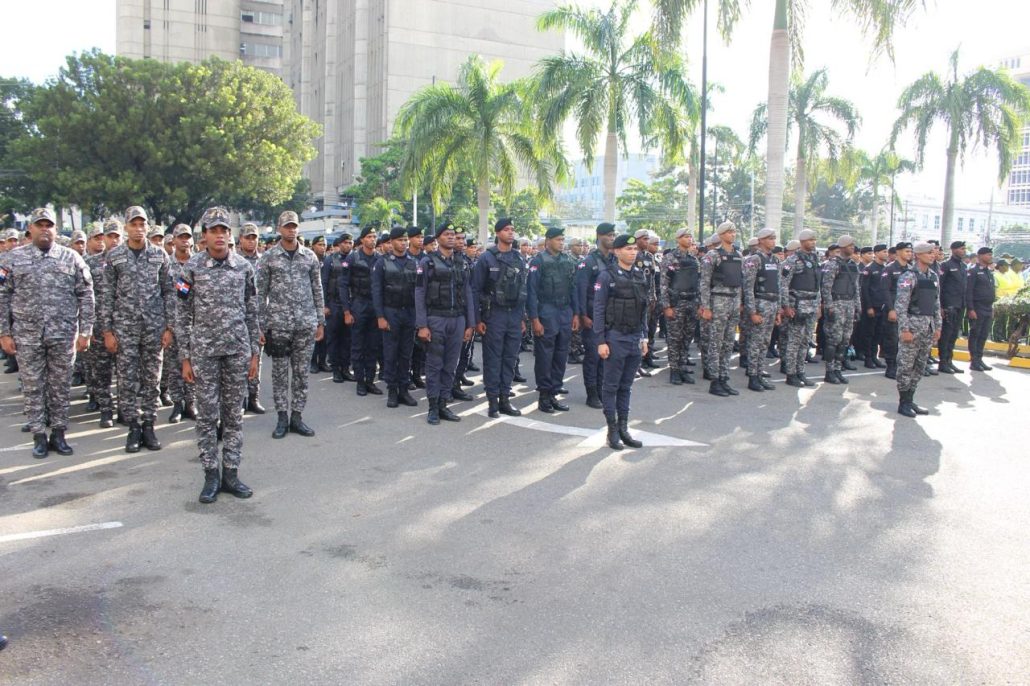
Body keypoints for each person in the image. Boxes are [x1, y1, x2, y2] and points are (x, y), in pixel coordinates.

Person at [175, 207, 260, 503]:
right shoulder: (190, 269)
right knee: (207, 417)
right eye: (214, 230)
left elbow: (252, 312)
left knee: (234, 415)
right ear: (205, 236)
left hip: (237, 351)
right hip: (204, 354)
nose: (220, 235)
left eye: (224, 230)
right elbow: (182, 313)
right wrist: (185, 357)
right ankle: (211, 475)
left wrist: (254, 354)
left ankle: (231, 473)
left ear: (230, 234)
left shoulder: (244, 268)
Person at [0, 207, 95, 458]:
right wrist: (4, 333)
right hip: (27, 335)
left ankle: (59, 434)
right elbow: (2, 296)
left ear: (55, 229)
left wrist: (85, 331)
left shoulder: (72, 258)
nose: (44, 229)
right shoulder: (12, 259)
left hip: (63, 335)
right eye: (39, 225)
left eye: (49, 225)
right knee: (33, 387)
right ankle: (39, 436)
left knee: (60, 386)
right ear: (30, 229)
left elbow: (86, 295)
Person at [102, 206, 174, 453]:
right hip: (125, 329)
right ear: (126, 227)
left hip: (154, 328)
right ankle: (133, 427)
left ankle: (149, 426)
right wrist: (107, 331)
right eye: (134, 224)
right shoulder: (114, 257)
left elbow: (169, 292)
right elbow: (107, 296)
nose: (138, 228)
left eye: (142, 224)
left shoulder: (159, 255)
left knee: (152, 379)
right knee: (127, 380)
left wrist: (170, 326)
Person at [256, 210, 325, 438]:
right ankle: (282, 417)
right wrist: (261, 325)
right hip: (279, 325)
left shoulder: (309, 257)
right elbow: (260, 293)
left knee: (301, 373)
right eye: (287, 226)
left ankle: (297, 416)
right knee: (279, 374)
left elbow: (317, 289)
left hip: (305, 323)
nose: (291, 230)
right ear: (279, 229)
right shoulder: (268, 257)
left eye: (294, 226)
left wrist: (320, 321)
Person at [415, 223, 475, 424]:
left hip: (457, 319)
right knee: (434, 365)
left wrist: (470, 324)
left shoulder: (462, 263)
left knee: (451, 364)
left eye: (453, 235)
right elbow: (420, 293)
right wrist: (422, 325)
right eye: (447, 234)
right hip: (436, 319)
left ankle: (443, 405)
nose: (451, 237)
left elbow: (468, 293)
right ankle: (432, 407)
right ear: (438, 238)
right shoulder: (427, 262)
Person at [593, 233, 647, 450]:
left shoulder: (639, 275)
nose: (632, 252)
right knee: (611, 386)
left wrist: (644, 336)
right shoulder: (606, 276)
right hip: (615, 337)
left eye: (634, 249)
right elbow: (598, 309)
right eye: (627, 249)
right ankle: (612, 430)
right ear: (616, 251)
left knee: (626, 386)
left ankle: (624, 429)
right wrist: (600, 340)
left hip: (634, 336)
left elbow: (643, 309)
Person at [473, 218, 529, 418]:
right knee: (493, 359)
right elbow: (475, 290)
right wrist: (478, 320)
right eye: (506, 230)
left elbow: (523, 288)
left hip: (514, 315)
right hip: (494, 315)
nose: (511, 233)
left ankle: (505, 399)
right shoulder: (486, 258)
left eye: (513, 230)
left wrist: (523, 317)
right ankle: (492, 401)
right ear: (497, 233)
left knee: (510, 358)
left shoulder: (519, 258)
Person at [527, 226, 579, 413]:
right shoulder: (538, 261)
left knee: (560, 354)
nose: (561, 243)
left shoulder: (567, 261)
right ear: (548, 241)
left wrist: (575, 314)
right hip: (546, 311)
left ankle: (555, 392)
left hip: (565, 311)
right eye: (558, 239)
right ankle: (544, 395)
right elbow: (531, 292)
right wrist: (534, 319)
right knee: (545, 356)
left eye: (562, 240)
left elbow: (573, 288)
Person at [371, 226, 419, 408]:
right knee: (391, 353)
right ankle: (392, 390)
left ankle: (404, 390)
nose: (404, 243)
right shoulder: (381, 263)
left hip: (409, 312)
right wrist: (380, 316)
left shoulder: (414, 262)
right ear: (391, 242)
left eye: (406, 240)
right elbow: (376, 292)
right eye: (400, 240)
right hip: (391, 313)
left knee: (406, 353)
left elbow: (419, 291)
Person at [895, 242, 942, 417]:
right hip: (912, 328)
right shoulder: (908, 276)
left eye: (933, 252)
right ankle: (903, 402)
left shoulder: (933, 277)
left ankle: (911, 399)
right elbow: (901, 305)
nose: (933, 255)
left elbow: (936, 304)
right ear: (919, 255)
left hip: (927, 328)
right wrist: (905, 329)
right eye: (929, 252)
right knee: (906, 366)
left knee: (920, 366)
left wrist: (937, 327)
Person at [699, 221, 744, 397]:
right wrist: (706, 307)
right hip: (718, 301)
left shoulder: (739, 255)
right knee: (715, 343)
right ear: (721, 235)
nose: (732, 235)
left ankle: (724, 378)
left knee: (728, 343)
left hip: (733, 301)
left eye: (734, 232)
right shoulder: (712, 255)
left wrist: (739, 302)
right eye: (728, 232)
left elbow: (739, 281)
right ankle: (714, 380)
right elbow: (704, 282)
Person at [576, 223, 615, 408]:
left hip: (609, 316)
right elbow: (581, 291)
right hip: (592, 316)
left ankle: (601, 390)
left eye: (613, 235)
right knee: (592, 356)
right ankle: (591, 393)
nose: (612, 238)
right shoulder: (589, 262)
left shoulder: (613, 260)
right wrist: (583, 315)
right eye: (608, 235)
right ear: (599, 236)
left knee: (605, 356)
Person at [340, 224, 382, 396]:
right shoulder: (352, 258)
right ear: (363, 239)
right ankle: (360, 382)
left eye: (374, 237)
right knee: (358, 345)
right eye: (369, 237)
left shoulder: (380, 258)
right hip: (358, 304)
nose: (372, 240)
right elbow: (343, 285)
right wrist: (347, 311)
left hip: (375, 306)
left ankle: (370, 381)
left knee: (373, 345)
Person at [164, 224, 198, 423]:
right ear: (174, 241)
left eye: (187, 237)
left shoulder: (198, 263)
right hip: (171, 323)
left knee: (192, 363)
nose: (185, 240)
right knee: (173, 365)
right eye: (181, 237)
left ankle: (191, 403)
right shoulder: (166, 265)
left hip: (193, 323)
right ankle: (177, 404)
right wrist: (166, 327)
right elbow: (160, 295)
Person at [780, 229, 821, 387]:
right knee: (794, 341)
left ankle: (800, 371)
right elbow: (783, 284)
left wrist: (818, 305)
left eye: (814, 240)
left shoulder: (815, 259)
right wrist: (786, 306)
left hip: (811, 304)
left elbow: (817, 285)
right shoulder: (792, 260)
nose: (813, 242)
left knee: (805, 341)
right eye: (810, 240)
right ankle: (791, 374)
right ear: (802, 241)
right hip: (797, 305)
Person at [741, 228, 781, 391]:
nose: (773, 241)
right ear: (761, 240)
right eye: (770, 238)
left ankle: (759, 373)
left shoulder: (775, 260)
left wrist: (778, 310)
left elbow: (778, 286)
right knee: (755, 342)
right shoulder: (754, 260)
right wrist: (752, 312)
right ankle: (752, 377)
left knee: (765, 342)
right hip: (760, 303)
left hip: (772, 304)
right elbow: (748, 287)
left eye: (774, 238)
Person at [660, 228, 700, 385]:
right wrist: (666, 306)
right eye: (685, 236)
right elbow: (664, 284)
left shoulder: (694, 259)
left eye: (690, 236)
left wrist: (699, 304)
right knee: (675, 338)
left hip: (691, 302)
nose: (689, 239)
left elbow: (698, 283)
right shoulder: (669, 258)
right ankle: (674, 370)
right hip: (676, 303)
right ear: (678, 239)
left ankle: (683, 367)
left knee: (687, 337)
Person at [819, 235, 861, 385]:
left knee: (844, 340)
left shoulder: (853, 265)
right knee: (833, 340)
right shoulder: (832, 264)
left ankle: (838, 369)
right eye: (850, 245)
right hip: (836, 304)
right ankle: (829, 371)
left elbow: (856, 287)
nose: (853, 247)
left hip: (849, 304)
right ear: (843, 247)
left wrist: (858, 306)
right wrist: (829, 306)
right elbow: (826, 287)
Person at [237, 222, 267, 412]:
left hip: (259, 317)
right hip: (238, 318)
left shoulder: (265, 261)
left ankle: (253, 397)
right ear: (240, 239)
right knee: (238, 360)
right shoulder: (233, 260)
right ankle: (238, 398)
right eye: (247, 237)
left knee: (257, 358)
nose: (251, 241)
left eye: (254, 237)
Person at [321, 232, 355, 384]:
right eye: (346, 242)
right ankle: (336, 370)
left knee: (348, 339)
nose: (348, 245)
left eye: (350, 242)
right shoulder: (330, 260)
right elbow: (324, 283)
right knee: (334, 338)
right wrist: (325, 305)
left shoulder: (354, 259)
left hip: (349, 305)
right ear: (339, 244)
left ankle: (345, 369)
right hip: (333, 305)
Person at [881, 242, 914, 380]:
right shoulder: (889, 269)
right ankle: (891, 366)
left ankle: (902, 366)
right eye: (907, 251)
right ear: (898, 252)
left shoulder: (911, 270)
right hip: (894, 308)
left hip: (907, 311)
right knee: (892, 339)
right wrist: (891, 309)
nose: (909, 254)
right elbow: (885, 290)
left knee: (905, 341)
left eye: (911, 251)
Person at [937, 240, 968, 374]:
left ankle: (949, 360)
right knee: (946, 334)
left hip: (960, 304)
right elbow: (940, 286)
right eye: (961, 249)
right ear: (953, 250)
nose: (964, 251)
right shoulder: (945, 265)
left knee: (954, 334)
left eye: (964, 249)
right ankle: (943, 362)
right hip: (949, 305)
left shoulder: (963, 266)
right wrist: (941, 306)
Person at [966, 247, 996, 371]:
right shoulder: (973, 271)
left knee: (984, 335)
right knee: (975, 334)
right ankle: (974, 360)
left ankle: (979, 358)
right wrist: (970, 308)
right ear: (980, 256)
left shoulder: (989, 272)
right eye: (988, 255)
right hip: (977, 307)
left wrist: (992, 307)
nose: (991, 257)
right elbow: (968, 291)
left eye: (991, 254)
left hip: (988, 308)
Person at [859, 243, 889, 369]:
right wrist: (869, 307)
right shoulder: (869, 269)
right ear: (876, 253)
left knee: (878, 333)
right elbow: (864, 289)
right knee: (869, 333)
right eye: (883, 252)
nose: (886, 254)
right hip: (872, 306)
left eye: (887, 252)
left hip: (883, 306)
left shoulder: (886, 268)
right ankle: (868, 358)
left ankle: (874, 356)